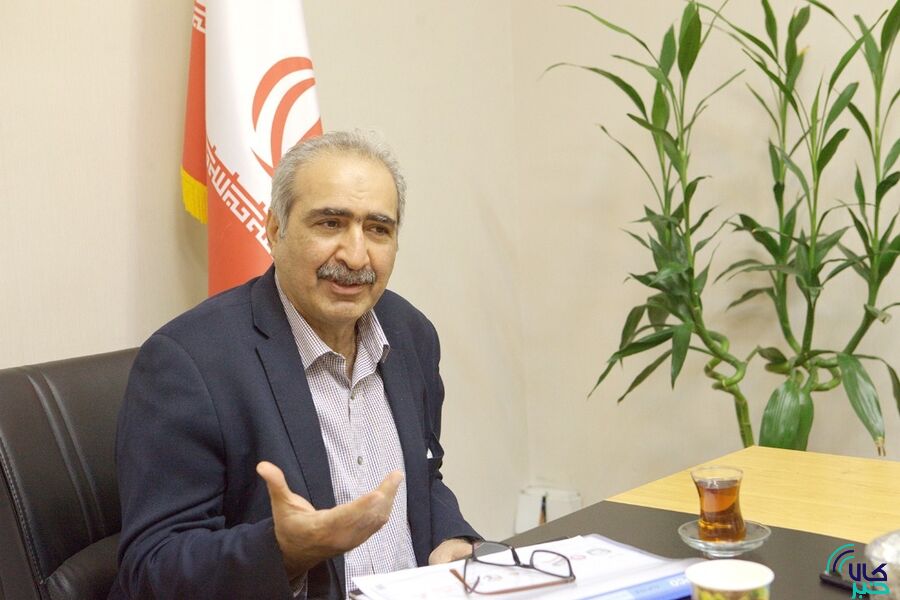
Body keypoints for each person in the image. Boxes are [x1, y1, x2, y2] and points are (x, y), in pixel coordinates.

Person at [109, 131, 478, 600]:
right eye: (330, 223)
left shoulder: (410, 334)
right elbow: (152, 568)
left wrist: (451, 536)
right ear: (274, 229)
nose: (356, 256)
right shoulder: (188, 362)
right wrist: (283, 552)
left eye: (378, 229)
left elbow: (423, 475)